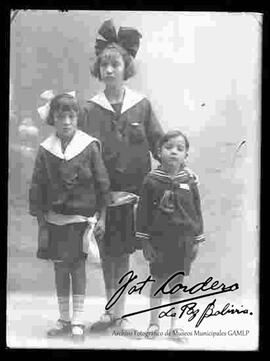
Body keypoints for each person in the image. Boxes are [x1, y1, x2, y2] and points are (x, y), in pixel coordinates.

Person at [81, 19, 164, 332]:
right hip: (103, 196)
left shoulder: (140, 106)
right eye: (105, 65)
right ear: (99, 70)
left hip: (134, 195)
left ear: (125, 66)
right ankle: (110, 311)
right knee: (107, 253)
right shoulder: (90, 109)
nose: (110, 70)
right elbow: (82, 150)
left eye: (115, 64)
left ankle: (119, 314)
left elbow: (158, 142)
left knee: (125, 253)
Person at [29, 92, 110, 339]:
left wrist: (103, 217)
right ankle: (63, 318)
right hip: (55, 220)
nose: (66, 121)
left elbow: (102, 183)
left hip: (81, 222)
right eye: (61, 116)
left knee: (78, 269)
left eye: (71, 116)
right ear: (53, 118)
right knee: (60, 270)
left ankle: (77, 320)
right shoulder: (46, 150)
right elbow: (38, 186)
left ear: (77, 118)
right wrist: (42, 221)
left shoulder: (89, 146)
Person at [136, 130, 205, 343]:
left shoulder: (189, 181)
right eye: (169, 148)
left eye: (179, 148)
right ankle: (154, 323)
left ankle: (175, 326)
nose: (174, 152)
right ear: (159, 152)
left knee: (177, 282)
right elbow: (143, 214)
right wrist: (145, 242)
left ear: (186, 155)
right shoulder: (151, 181)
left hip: (183, 241)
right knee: (158, 281)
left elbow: (196, 211)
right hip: (159, 241)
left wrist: (196, 240)